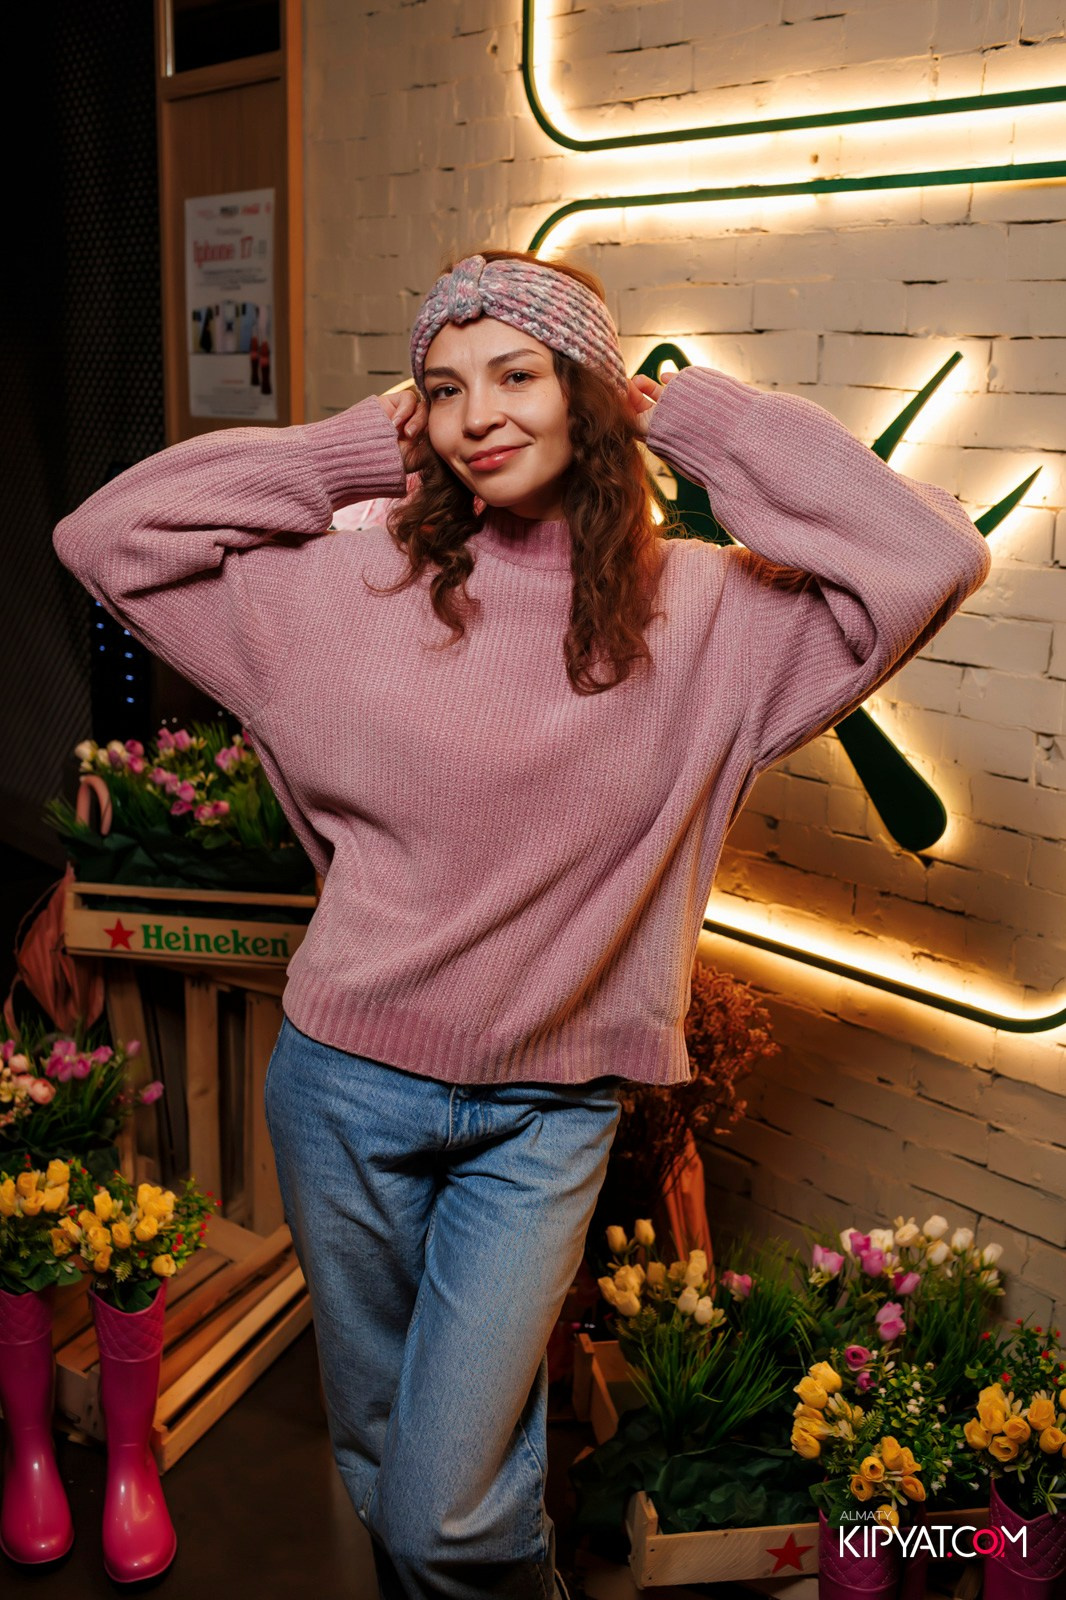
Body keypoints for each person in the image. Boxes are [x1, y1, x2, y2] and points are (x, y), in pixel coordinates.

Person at [52, 248, 991, 1599]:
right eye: (442, 388)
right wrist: (336, 458)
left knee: (449, 1512)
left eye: (517, 373)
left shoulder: (712, 618)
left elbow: (928, 554)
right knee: (386, 1463)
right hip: (343, 1089)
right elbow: (105, 538)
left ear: (588, 394)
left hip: (546, 1118)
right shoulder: (343, 588)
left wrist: (702, 421)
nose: (475, 415)